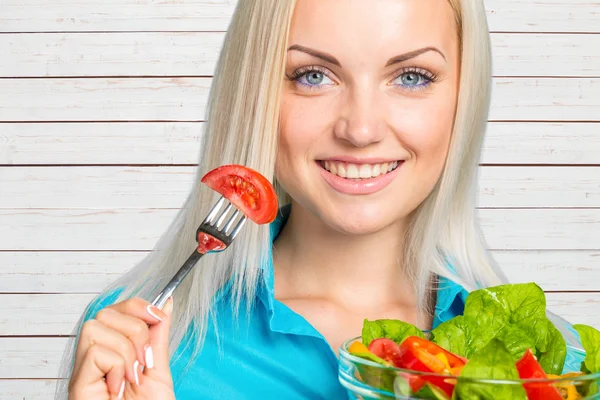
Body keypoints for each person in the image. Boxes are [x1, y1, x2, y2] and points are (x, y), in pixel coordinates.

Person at [57, 1, 584, 399]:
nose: (360, 129)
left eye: (411, 77)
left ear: (463, 99)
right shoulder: (143, 349)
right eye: (313, 76)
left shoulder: (553, 368)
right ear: (257, 92)